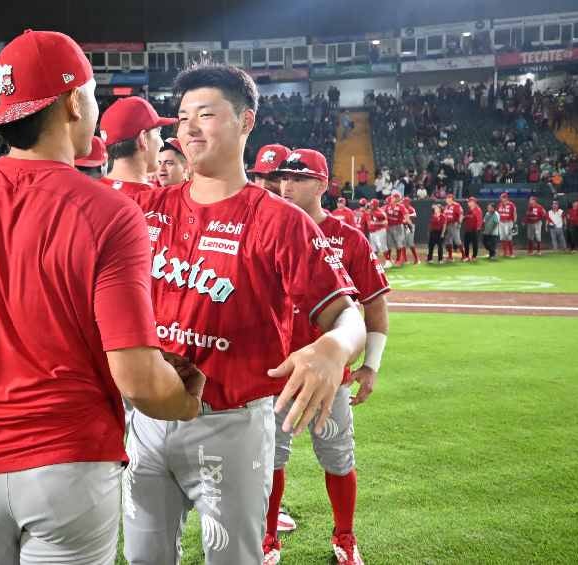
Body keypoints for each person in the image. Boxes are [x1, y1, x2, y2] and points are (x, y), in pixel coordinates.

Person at [0, 30, 203, 565]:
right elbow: (140, 382)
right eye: (94, 94)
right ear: (74, 100)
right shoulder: (108, 212)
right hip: (71, 463)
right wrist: (189, 398)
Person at [123, 64, 365, 565]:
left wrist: (332, 347)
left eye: (206, 114)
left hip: (230, 424)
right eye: (182, 117)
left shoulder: (281, 221)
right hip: (147, 419)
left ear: (245, 122)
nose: (188, 128)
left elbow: (349, 316)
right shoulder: (147, 210)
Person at [273, 148, 391, 565]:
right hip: (276, 372)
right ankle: (268, 540)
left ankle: (344, 537)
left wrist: (371, 366)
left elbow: (375, 307)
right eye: (284, 178)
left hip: (331, 376)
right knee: (270, 460)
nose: (286, 186)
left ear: (323, 185)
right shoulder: (269, 228)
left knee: (339, 460)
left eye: (299, 179)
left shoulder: (349, 238)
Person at [99, 96, 176, 197]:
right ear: (143, 139)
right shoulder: (155, 200)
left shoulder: (90, 194)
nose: (161, 143)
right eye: (158, 133)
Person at [384, 192, 408, 267]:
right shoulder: (387, 206)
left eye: (394, 197)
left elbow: (406, 214)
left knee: (398, 244)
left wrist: (406, 220)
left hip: (398, 226)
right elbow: (382, 212)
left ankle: (398, 260)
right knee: (388, 244)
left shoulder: (401, 206)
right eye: (392, 197)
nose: (392, 198)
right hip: (389, 227)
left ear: (397, 198)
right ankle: (389, 260)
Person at [367, 198, 391, 269]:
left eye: (372, 204)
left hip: (379, 231)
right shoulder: (370, 211)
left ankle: (388, 261)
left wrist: (376, 223)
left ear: (375, 205)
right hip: (372, 232)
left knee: (383, 247)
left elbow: (385, 222)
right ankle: (375, 263)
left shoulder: (380, 212)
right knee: (374, 249)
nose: (370, 206)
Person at [442, 193, 464, 262]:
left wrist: (459, 223)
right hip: (447, 225)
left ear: (452, 199)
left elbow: (461, 214)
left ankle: (464, 256)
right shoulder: (446, 207)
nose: (447, 199)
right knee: (448, 241)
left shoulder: (456, 205)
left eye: (449, 198)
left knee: (457, 240)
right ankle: (450, 257)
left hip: (454, 224)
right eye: (447, 198)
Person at [461, 197, 483, 262]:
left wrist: (478, 228)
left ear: (473, 202)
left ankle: (474, 256)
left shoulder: (477, 209)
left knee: (474, 243)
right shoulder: (470, 209)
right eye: (468, 202)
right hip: (468, 229)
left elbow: (479, 220)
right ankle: (467, 256)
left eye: (469, 202)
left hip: (474, 229)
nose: (468, 203)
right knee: (466, 243)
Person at [497, 191, 517, 257]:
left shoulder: (511, 205)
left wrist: (514, 223)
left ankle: (511, 253)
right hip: (501, 222)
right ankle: (505, 252)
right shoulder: (500, 204)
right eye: (501, 198)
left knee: (509, 237)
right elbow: (498, 214)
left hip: (508, 222)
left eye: (502, 198)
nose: (501, 199)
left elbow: (514, 214)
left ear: (506, 198)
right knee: (502, 237)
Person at [402, 196, 420, 264]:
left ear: (409, 202)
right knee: (403, 243)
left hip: (409, 226)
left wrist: (407, 215)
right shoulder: (402, 208)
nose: (404, 203)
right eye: (404, 202)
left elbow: (415, 215)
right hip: (403, 226)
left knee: (410, 243)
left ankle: (417, 259)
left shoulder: (411, 208)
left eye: (406, 202)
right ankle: (405, 259)